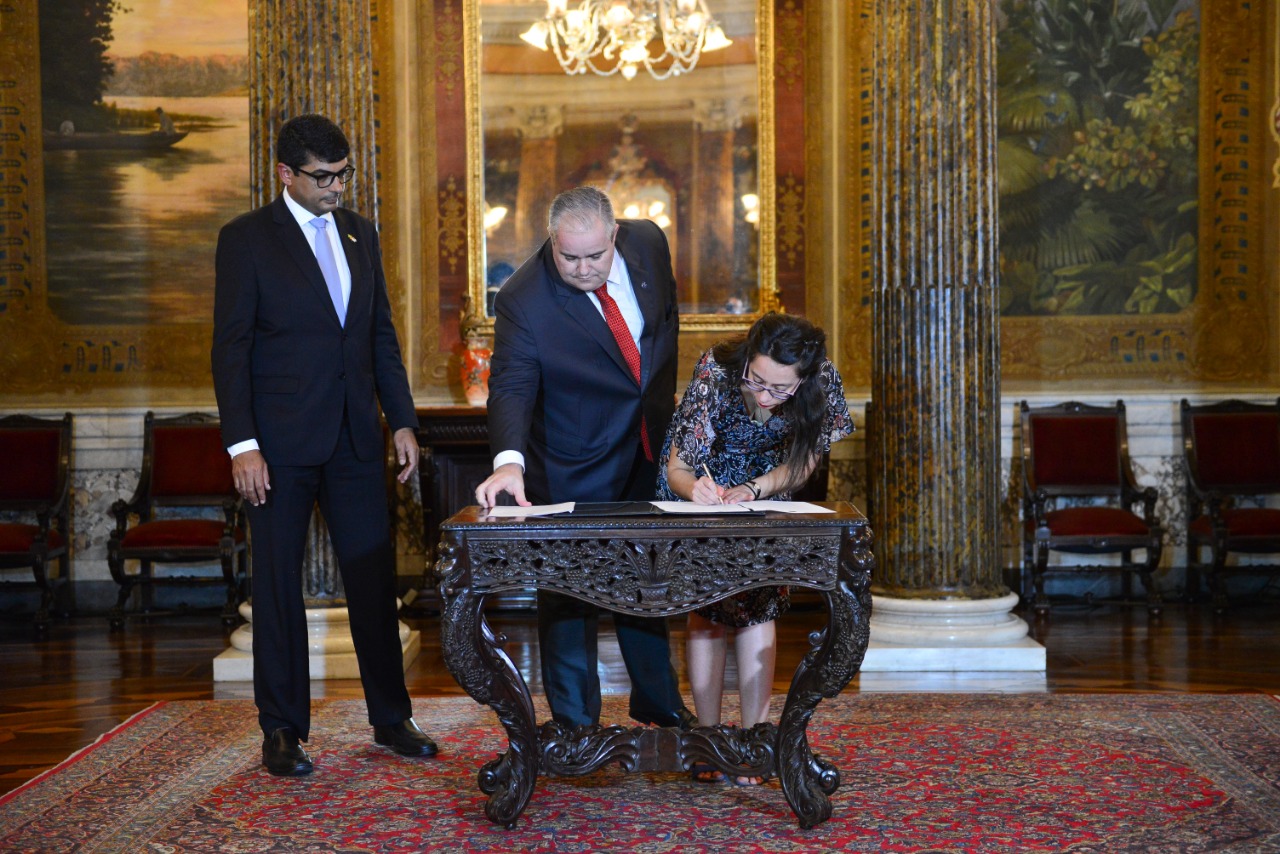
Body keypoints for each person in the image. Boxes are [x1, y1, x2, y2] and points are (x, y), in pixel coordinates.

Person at [212, 113, 438, 777]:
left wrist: (400, 420)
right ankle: (282, 730)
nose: (336, 187)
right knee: (278, 588)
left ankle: (391, 720)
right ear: (286, 173)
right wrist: (242, 445)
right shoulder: (246, 240)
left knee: (373, 579)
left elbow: (379, 338)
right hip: (277, 445)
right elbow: (231, 349)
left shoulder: (358, 233)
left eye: (343, 174)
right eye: (323, 177)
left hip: (354, 441)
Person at [474, 186, 694, 731]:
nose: (580, 267)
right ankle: (575, 726)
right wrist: (508, 461)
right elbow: (512, 386)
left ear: (614, 235)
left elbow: (662, 327)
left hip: (649, 444)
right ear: (552, 241)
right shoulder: (524, 299)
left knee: (649, 577)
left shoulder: (648, 242)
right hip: (576, 460)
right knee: (570, 593)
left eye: (594, 255)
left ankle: (658, 702)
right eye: (568, 255)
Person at [657, 312, 853, 785]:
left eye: (780, 390)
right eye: (757, 381)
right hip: (702, 494)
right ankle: (706, 741)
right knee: (705, 610)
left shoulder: (822, 378)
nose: (764, 397)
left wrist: (754, 489)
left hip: (762, 492)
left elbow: (803, 462)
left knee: (760, 605)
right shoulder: (716, 370)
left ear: (803, 379)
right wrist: (698, 491)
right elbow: (676, 467)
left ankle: (754, 740)